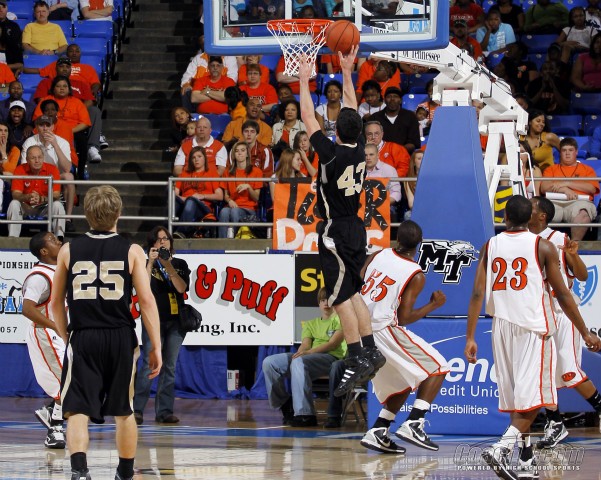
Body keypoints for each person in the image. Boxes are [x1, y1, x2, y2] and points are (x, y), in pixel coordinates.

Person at [465, 195, 601, 480]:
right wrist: (584, 331)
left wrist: (470, 337)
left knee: (520, 398)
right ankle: (502, 448)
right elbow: (563, 295)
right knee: (535, 397)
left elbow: (477, 293)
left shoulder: (490, 245)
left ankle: (526, 459)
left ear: (504, 217)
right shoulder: (542, 245)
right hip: (533, 327)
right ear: (529, 218)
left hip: (501, 328)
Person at [51, 185, 162, 480]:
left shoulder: (68, 249)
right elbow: (147, 302)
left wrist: (66, 336)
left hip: (84, 335)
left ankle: (79, 472)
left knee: (77, 410)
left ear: (86, 214)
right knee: (124, 411)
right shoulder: (133, 250)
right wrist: (156, 346)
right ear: (119, 213)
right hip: (119, 336)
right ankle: (124, 474)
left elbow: (55, 303)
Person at [298, 47, 386, 396]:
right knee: (354, 292)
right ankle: (370, 348)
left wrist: (304, 78)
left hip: (334, 228)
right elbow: (350, 106)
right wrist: (347, 71)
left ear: (336, 131)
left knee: (338, 298)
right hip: (356, 226)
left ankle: (355, 355)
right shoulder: (362, 146)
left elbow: (308, 116)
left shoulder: (331, 153)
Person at [360, 221, 448, 454]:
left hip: (360, 330)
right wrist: (433, 305)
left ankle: (379, 430)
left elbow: (359, 282)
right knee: (439, 366)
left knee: (401, 383)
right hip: (382, 328)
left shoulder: (378, 254)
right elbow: (405, 317)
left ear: (397, 238)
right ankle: (414, 423)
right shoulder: (415, 273)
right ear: (419, 244)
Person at [528, 196, 601, 448]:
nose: (527, 208)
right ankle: (555, 424)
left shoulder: (558, 239)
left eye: (532, 206)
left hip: (562, 313)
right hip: (538, 314)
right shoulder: (522, 240)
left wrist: (573, 255)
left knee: (569, 372)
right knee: (544, 373)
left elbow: (581, 275)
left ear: (542, 216)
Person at [262, 287, 347, 427]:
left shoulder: (341, 320)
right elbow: (305, 345)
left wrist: (306, 354)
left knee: (299, 361)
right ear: (318, 303)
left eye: (329, 300)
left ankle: (305, 415)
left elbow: (333, 344)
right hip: (310, 358)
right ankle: (284, 403)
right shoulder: (310, 323)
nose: (326, 303)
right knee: (269, 363)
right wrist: (300, 353)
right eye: (323, 300)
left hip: (331, 358)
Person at [133, 227, 190, 425]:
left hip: (176, 321)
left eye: (166, 238)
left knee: (169, 366)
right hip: (153, 321)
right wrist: (150, 262)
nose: (163, 242)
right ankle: (137, 410)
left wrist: (168, 266)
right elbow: (142, 287)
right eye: (159, 240)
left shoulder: (180, 264)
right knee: (148, 365)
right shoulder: (146, 264)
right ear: (152, 244)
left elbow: (181, 288)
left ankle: (164, 411)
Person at [22, 231, 66, 450]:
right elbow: (27, 309)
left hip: (61, 333)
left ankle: (51, 412)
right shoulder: (38, 277)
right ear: (44, 251)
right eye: (53, 240)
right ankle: (54, 429)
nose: (58, 241)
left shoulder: (60, 269)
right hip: (46, 333)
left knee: (74, 381)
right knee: (66, 382)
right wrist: (55, 325)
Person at [20, 115, 76, 230]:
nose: (45, 128)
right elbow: (24, 168)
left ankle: (68, 218)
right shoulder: (29, 142)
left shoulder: (62, 142)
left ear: (53, 127)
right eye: (41, 125)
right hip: (35, 177)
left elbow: (67, 168)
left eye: (48, 125)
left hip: (55, 178)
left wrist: (55, 145)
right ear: (36, 127)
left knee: (69, 177)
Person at [540, 137, 600, 241]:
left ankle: (574, 244)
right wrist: (564, 189)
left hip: (579, 202)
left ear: (576, 152)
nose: (567, 153)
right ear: (560, 153)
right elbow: (544, 188)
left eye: (570, 150)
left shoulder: (587, 170)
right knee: (539, 212)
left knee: (583, 213)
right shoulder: (551, 169)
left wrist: (567, 183)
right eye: (564, 150)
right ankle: (541, 244)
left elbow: (592, 189)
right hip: (554, 202)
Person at [7, 145, 66, 238]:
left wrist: (42, 198)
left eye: (39, 157)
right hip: (26, 206)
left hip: (45, 207)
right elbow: (15, 194)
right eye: (33, 158)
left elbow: (56, 195)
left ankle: (59, 238)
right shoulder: (20, 169)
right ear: (27, 159)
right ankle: (12, 239)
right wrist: (28, 197)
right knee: (14, 203)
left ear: (43, 157)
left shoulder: (52, 169)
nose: (37, 160)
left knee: (58, 205)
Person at [172, 146, 223, 239]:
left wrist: (202, 196)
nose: (196, 160)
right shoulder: (185, 173)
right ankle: (166, 230)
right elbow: (175, 193)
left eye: (199, 156)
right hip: (185, 202)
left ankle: (181, 232)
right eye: (194, 157)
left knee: (191, 201)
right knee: (173, 199)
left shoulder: (211, 172)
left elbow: (220, 196)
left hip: (203, 207)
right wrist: (181, 197)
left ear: (204, 158)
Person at [218, 141, 263, 238]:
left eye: (242, 150)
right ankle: (222, 242)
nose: (239, 153)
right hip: (232, 206)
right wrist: (229, 200)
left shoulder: (256, 172)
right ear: (233, 155)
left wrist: (249, 187)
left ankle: (235, 241)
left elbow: (256, 198)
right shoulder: (227, 172)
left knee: (235, 211)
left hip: (249, 209)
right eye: (237, 151)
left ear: (247, 154)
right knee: (224, 211)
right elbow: (226, 195)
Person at [369, 87, 421, 155]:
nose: (392, 99)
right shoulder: (375, 118)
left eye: (395, 96)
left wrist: (396, 152)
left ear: (401, 100)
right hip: (380, 156)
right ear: (384, 100)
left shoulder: (410, 116)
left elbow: (413, 143)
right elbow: (370, 141)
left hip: (404, 156)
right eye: (389, 97)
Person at [364, 143, 401, 222]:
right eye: (365, 155)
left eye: (371, 155)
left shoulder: (389, 170)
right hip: (362, 206)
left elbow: (396, 193)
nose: (368, 158)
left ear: (378, 155)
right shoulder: (358, 170)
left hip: (385, 206)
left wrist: (382, 204)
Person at [0, 1, 24, 75]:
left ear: (7, 9)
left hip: (9, 71)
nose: (0, 9)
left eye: (3, 7)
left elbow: (20, 64)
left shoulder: (14, 27)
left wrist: (3, 67)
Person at [403, 149, 424, 220]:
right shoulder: (408, 180)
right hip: (417, 210)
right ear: (414, 163)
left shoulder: (433, 178)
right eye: (419, 159)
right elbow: (411, 204)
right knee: (408, 215)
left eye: (424, 158)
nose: (423, 161)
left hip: (432, 208)